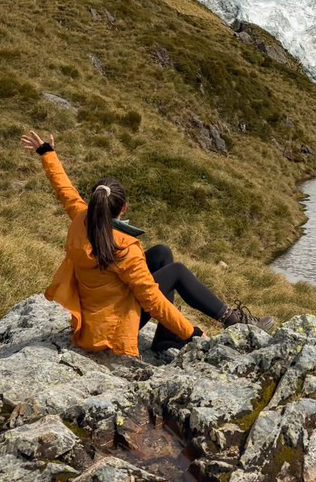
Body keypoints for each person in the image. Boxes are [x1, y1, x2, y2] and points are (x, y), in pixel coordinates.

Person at [20, 130, 273, 357]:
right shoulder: (123, 247)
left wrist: (47, 154)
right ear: (124, 208)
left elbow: (65, 191)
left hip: (95, 317)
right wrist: (192, 333)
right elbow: (152, 299)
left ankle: (165, 338)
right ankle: (234, 321)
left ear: (95, 203)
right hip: (112, 328)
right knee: (176, 272)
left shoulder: (81, 219)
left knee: (162, 254)